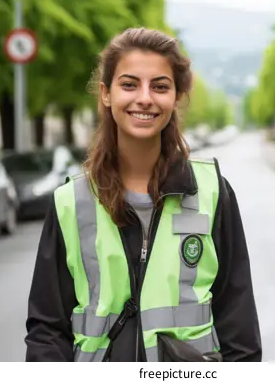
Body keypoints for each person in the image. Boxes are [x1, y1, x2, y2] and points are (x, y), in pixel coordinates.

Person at [24, 27, 262, 362]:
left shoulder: (214, 192)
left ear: (176, 97)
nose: (145, 98)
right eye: (130, 84)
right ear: (106, 94)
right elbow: (47, 331)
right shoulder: (69, 202)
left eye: (160, 86)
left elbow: (239, 326)